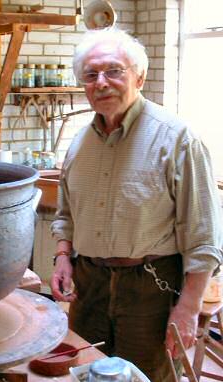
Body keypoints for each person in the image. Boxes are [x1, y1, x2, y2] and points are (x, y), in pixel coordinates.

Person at [50, 28, 223, 381]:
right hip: (89, 285)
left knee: (147, 375)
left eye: (114, 71)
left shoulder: (177, 139)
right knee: (86, 371)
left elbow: (204, 237)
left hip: (151, 289)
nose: (101, 82)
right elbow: (66, 212)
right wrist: (63, 256)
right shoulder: (79, 143)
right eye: (91, 74)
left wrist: (188, 308)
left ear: (139, 77)